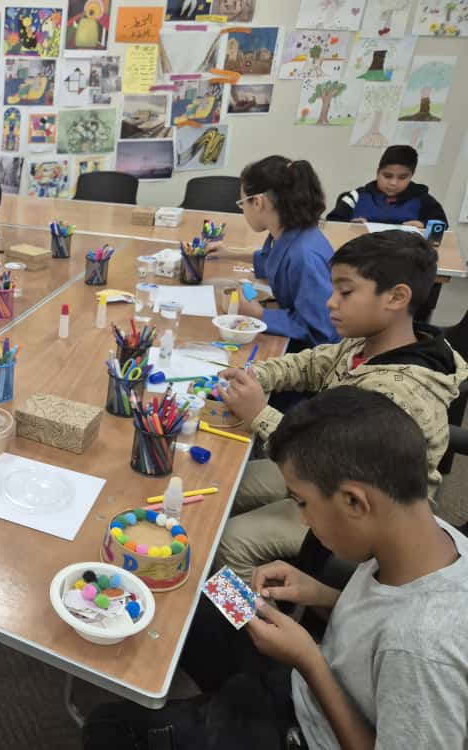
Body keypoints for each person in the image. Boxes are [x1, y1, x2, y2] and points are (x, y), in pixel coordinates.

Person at [83, 387, 468, 750]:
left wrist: (309, 661)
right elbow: (384, 612)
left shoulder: (422, 649)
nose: (302, 520)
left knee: (106, 727)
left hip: (305, 724)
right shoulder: (429, 533)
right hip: (311, 672)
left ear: (354, 501)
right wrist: (320, 594)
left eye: (301, 502)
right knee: (201, 591)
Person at [214, 230, 467, 581]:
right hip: (324, 470)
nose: (331, 302)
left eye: (345, 292)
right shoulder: (367, 343)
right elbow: (310, 364)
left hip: (357, 513)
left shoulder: (398, 395)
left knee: (232, 541)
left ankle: (260, 614)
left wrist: (259, 414)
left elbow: (328, 465)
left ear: (396, 297)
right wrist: (254, 374)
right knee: (225, 485)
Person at [207, 156, 338, 349]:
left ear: (258, 202)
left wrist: (258, 313)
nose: (243, 210)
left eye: (242, 203)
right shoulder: (292, 232)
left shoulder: (305, 256)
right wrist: (230, 253)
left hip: (314, 351)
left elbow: (321, 330)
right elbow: (274, 262)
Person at [327, 145, 448, 228]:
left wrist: (424, 226)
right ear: (377, 172)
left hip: (406, 253)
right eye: (387, 176)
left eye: (402, 177)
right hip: (361, 251)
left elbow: (441, 225)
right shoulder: (356, 196)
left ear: (411, 176)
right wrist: (350, 225)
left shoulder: (423, 199)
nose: (393, 183)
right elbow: (332, 222)